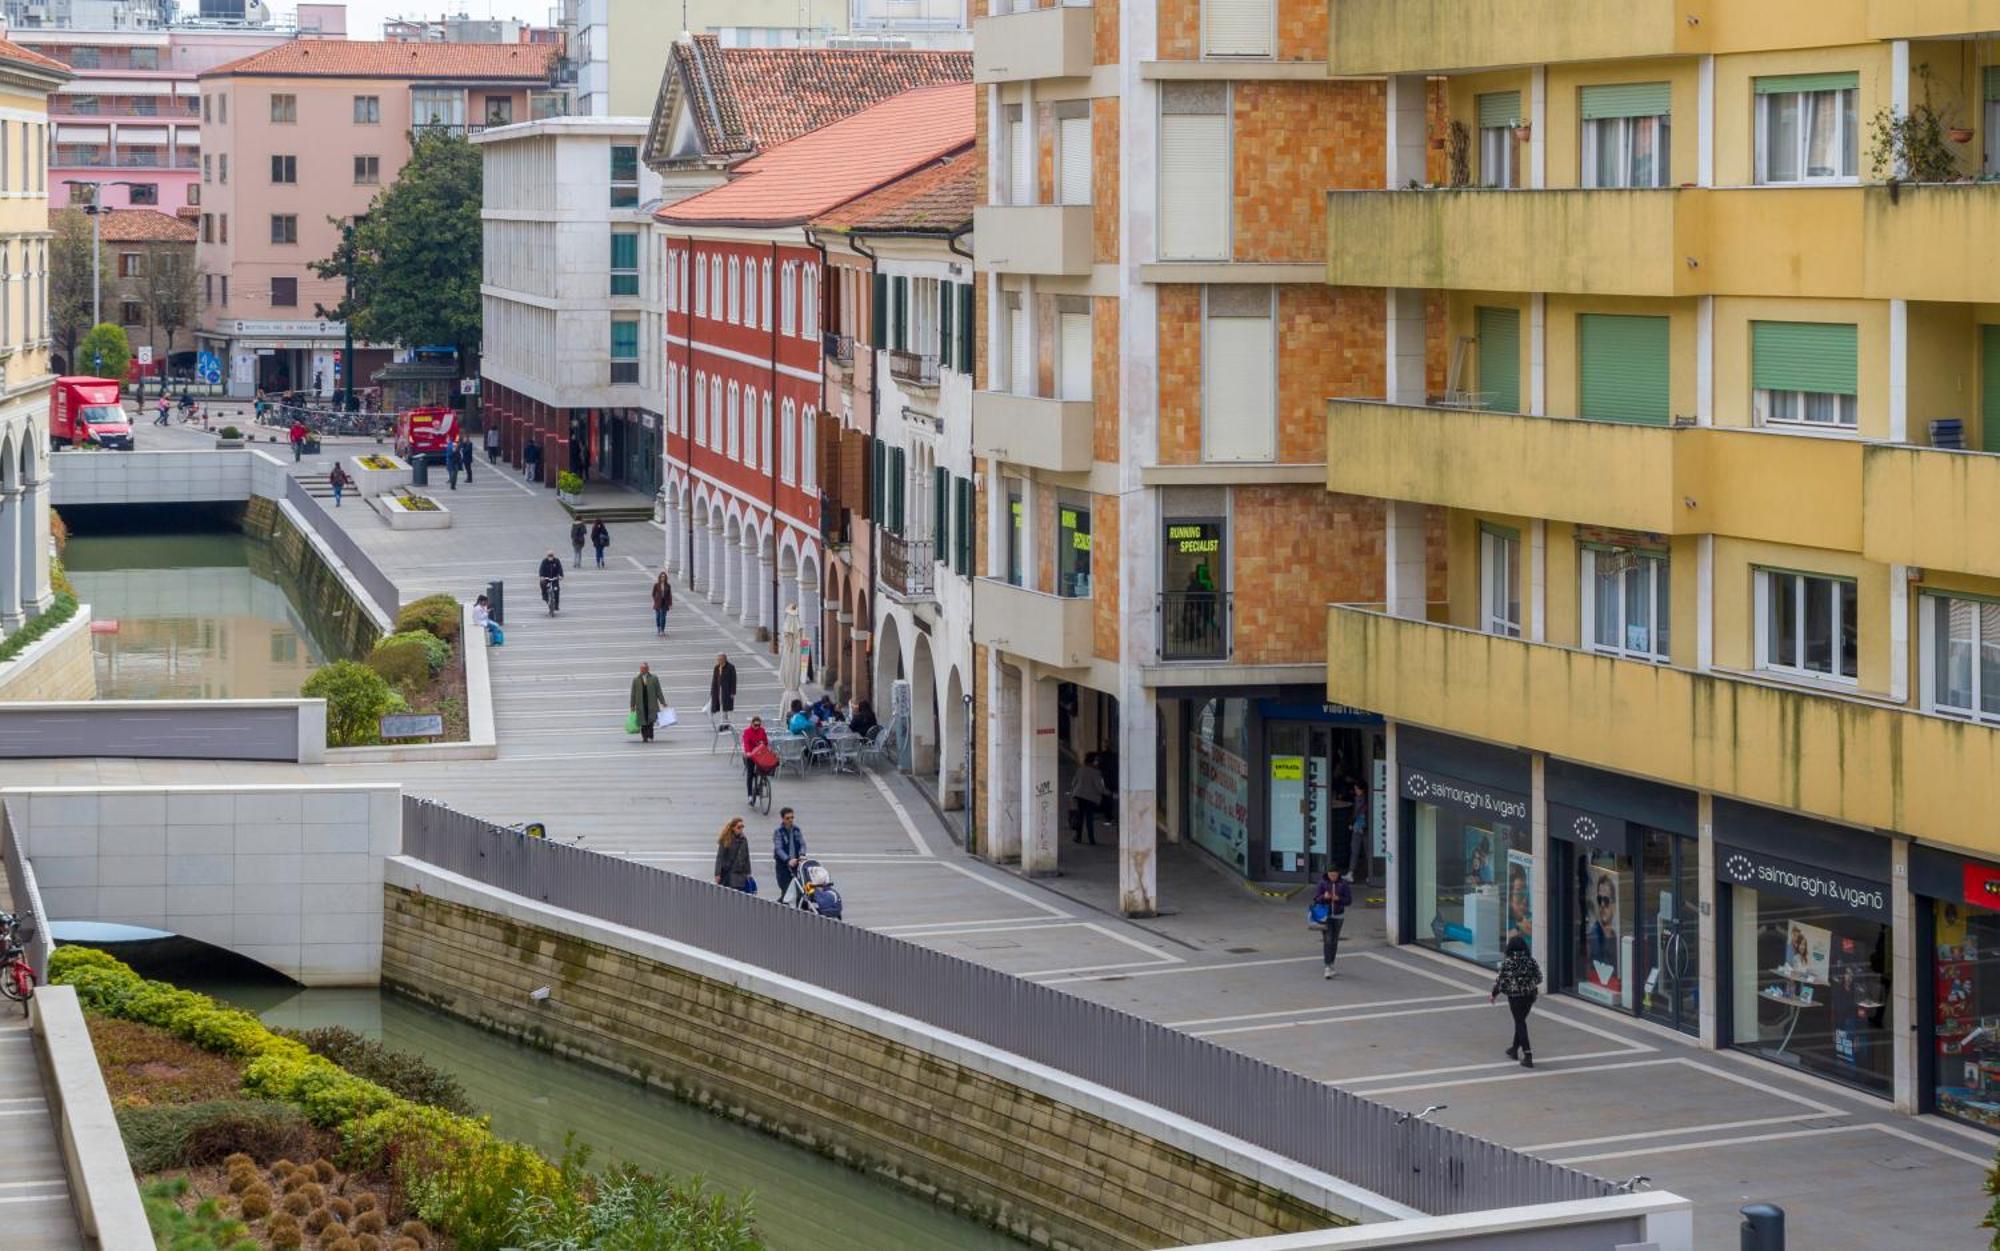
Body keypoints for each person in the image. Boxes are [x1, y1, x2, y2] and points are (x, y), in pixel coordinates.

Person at [1491, 935, 1542, 1068]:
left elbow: (1501, 981)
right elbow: (1539, 978)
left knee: (1520, 1023)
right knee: (1521, 1021)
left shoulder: (1508, 962)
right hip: (1530, 996)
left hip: (1515, 997)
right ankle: (1514, 1049)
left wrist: (1494, 994)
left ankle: (1528, 1054)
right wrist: (1528, 983)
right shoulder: (1530, 961)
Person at [1313, 867, 1353, 979]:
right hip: (1325, 915)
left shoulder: (1343, 884)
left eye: (1335, 875)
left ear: (1338, 874)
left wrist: (1338, 898)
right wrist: (1324, 897)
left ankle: (1331, 964)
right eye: (1331, 875)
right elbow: (1316, 898)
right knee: (1328, 939)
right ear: (1328, 874)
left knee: (1334, 940)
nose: (1333, 877)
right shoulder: (1322, 883)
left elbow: (1349, 900)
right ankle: (1327, 966)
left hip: (1338, 915)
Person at [1069, 752, 1109, 846]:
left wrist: (1073, 794)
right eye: (1096, 760)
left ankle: (1078, 837)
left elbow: (1073, 783)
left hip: (1079, 796)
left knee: (1080, 817)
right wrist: (1109, 793)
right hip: (1090, 798)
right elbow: (1099, 788)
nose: (1097, 762)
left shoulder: (1081, 769)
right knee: (1089, 819)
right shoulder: (1096, 772)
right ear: (1093, 761)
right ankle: (1091, 839)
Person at [773, 808, 806, 898]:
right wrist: (788, 860)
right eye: (787, 818)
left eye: (792, 817)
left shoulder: (796, 830)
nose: (790, 820)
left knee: (798, 890)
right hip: (783, 866)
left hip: (796, 865)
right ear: (783, 819)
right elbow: (778, 849)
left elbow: (802, 844)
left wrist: (802, 854)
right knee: (786, 889)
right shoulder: (778, 832)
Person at [713, 818, 753, 892]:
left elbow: (746, 857)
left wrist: (749, 873)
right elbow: (720, 857)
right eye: (738, 827)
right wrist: (717, 873)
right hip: (729, 874)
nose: (741, 829)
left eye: (742, 827)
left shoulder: (744, 840)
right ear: (733, 828)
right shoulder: (726, 839)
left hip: (740, 874)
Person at [629, 661, 665, 744]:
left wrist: (663, 702)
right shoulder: (636, 680)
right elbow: (633, 693)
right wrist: (632, 705)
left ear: (648, 669)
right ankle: (644, 737)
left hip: (651, 703)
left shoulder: (654, 678)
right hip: (641, 704)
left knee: (650, 720)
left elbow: (658, 691)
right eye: (641, 669)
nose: (643, 670)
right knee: (642, 721)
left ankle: (650, 734)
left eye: (644, 668)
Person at [740, 715, 770, 801]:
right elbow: (746, 743)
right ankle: (749, 795)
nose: (757, 727)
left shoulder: (762, 730)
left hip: (759, 753)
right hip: (750, 754)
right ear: (752, 724)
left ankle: (759, 784)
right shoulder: (747, 731)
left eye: (758, 725)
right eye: (755, 725)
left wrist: (763, 743)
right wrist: (748, 752)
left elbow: (766, 742)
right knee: (750, 774)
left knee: (762, 770)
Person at [709, 653, 737, 723]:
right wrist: (712, 690)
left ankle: (725, 720)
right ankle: (724, 720)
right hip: (718, 689)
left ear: (725, 659)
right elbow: (714, 679)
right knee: (719, 704)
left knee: (725, 705)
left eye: (720, 659)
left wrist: (733, 692)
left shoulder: (731, 667)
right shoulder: (716, 667)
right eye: (718, 659)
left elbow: (733, 680)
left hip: (727, 690)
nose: (719, 661)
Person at [651, 572, 674, 636]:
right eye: (661, 576)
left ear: (665, 577)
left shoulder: (668, 585)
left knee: (663, 617)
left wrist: (670, 604)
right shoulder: (656, 585)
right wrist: (655, 600)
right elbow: (653, 594)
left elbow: (669, 595)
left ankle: (662, 630)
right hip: (658, 603)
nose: (663, 578)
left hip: (665, 603)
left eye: (664, 577)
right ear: (660, 577)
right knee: (658, 616)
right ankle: (658, 628)